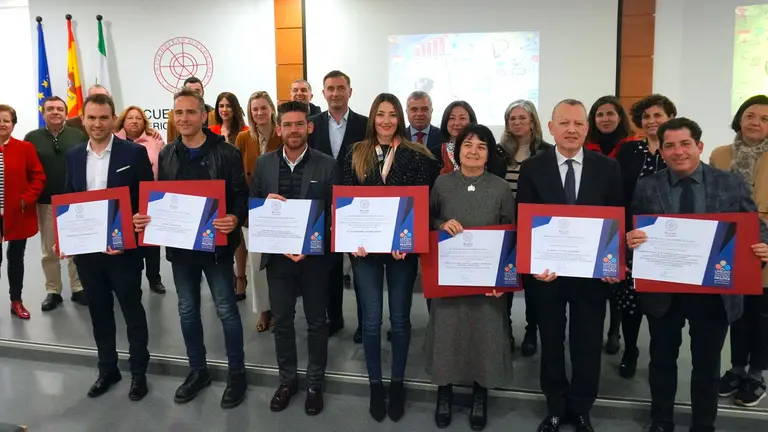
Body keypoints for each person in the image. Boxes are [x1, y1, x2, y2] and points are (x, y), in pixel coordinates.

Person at [627, 117, 768, 432]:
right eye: (670, 146)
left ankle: (703, 424)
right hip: (664, 290)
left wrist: (764, 245)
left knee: (707, 365)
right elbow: (635, 229)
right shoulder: (648, 186)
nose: (678, 152)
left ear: (699, 146)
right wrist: (631, 239)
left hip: (713, 292)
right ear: (662, 151)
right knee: (662, 361)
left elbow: (753, 225)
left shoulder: (728, 183)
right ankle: (661, 420)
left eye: (685, 144)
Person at [133, 88, 248, 409]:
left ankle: (237, 373)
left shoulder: (226, 153)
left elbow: (241, 194)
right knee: (186, 310)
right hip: (182, 250)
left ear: (204, 116)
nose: (184, 118)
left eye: (190, 112)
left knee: (226, 310)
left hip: (217, 250)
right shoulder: (168, 153)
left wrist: (235, 216)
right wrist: (146, 216)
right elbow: (162, 198)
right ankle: (198, 371)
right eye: (178, 113)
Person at [516, 99, 623, 432]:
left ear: (586, 128)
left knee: (587, 343)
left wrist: (613, 264)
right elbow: (525, 220)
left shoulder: (607, 168)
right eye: (564, 123)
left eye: (578, 123)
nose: (572, 129)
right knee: (551, 340)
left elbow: (617, 218)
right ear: (551, 128)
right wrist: (531, 264)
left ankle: (580, 407)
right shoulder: (533, 168)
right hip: (547, 275)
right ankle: (555, 405)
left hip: (591, 276)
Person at [340, 93, 437, 422]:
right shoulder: (355, 153)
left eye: (392, 115)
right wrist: (351, 238)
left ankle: (396, 383)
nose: (385, 120)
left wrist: (409, 240)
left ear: (400, 119)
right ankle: (375, 384)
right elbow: (341, 199)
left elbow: (424, 206)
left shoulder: (418, 155)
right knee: (370, 320)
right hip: (364, 252)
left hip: (401, 252)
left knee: (399, 319)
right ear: (372, 118)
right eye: (380, 114)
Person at [63, 94, 153, 400]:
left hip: (124, 252)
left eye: (103, 118)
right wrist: (64, 236)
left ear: (113, 119)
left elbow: (144, 201)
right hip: (88, 254)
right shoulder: (74, 155)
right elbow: (69, 199)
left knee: (132, 312)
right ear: (83, 119)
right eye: (91, 118)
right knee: (99, 313)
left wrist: (130, 231)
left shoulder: (134, 153)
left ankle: (139, 372)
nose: (97, 124)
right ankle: (108, 369)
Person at [250, 101, 336, 416]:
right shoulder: (263, 164)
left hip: (313, 258)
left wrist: (316, 243)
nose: (294, 130)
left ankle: (315, 383)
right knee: (282, 322)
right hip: (278, 259)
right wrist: (262, 204)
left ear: (309, 127)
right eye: (288, 125)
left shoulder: (327, 165)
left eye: (300, 124)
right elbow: (252, 207)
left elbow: (334, 216)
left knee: (317, 322)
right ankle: (288, 381)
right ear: (278, 129)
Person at [427, 124, 514, 430]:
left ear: (489, 154)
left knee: (485, 333)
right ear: (457, 150)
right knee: (447, 332)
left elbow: (511, 235)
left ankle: (480, 393)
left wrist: (504, 280)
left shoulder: (501, 188)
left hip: (487, 281)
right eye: (468, 145)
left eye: (481, 146)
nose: (473, 151)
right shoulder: (442, 183)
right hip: (449, 276)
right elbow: (429, 219)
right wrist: (441, 224)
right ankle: (444, 392)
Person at [614, 94, 677, 378]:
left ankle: (660, 355)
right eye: (647, 116)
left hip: (668, 240)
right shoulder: (628, 151)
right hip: (631, 236)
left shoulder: (677, 151)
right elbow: (616, 193)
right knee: (630, 298)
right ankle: (630, 350)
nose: (652, 121)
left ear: (670, 119)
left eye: (658, 116)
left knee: (661, 301)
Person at [711, 95, 768, 407]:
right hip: (728, 244)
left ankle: (757, 375)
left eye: (764, 118)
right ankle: (735, 369)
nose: (755, 122)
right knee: (734, 312)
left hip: (765, 247)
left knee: (761, 313)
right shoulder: (720, 155)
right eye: (750, 114)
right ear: (740, 118)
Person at [308, 70, 368, 342]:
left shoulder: (365, 125)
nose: (335, 93)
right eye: (330, 88)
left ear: (350, 92)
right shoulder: (311, 124)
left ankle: (365, 323)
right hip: (321, 205)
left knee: (361, 267)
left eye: (340, 88)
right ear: (323, 93)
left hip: (356, 205)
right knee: (329, 268)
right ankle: (335, 318)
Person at [498, 99, 552, 356]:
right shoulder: (498, 153)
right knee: (506, 281)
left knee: (534, 284)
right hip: (505, 225)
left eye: (522, 118)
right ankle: (505, 330)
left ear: (533, 122)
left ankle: (532, 331)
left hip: (536, 228)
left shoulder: (547, 152)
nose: (517, 122)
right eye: (512, 118)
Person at [24, 96, 86, 311]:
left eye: (60, 109)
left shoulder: (78, 136)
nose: (55, 112)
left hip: (73, 200)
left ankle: (78, 288)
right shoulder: (32, 138)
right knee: (49, 250)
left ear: (66, 113)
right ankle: (53, 291)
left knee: (75, 247)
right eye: (50, 109)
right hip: (45, 201)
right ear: (43, 114)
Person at [585, 95, 635, 356]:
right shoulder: (584, 147)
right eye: (600, 114)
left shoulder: (632, 147)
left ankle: (614, 330)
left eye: (610, 114)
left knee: (615, 278)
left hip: (620, 220)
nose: (605, 119)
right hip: (588, 224)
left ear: (620, 117)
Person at [234, 91, 282, 329]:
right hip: (251, 213)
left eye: (264, 107)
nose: (260, 113)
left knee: (278, 266)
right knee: (256, 265)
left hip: (279, 211)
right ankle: (263, 311)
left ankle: (279, 310)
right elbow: (237, 175)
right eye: (255, 109)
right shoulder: (243, 138)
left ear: (271, 108)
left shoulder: (282, 134)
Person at [0, 105, 46, 320]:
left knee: (15, 259)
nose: (2, 124)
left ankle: (16, 301)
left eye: (6, 120)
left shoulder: (25, 148)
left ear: (13, 124)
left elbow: (38, 177)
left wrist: (25, 199)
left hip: (17, 215)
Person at [114, 105, 166, 294]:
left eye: (138, 118)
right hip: (124, 200)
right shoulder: (113, 142)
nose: (134, 121)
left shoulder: (155, 140)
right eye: (130, 118)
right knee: (128, 242)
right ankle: (130, 281)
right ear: (123, 121)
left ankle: (154, 279)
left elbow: (163, 166)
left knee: (151, 242)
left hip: (151, 198)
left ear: (144, 122)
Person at [166, 76, 216, 143]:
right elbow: (170, 142)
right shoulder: (172, 119)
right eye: (189, 91)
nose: (193, 95)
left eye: (197, 92)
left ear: (203, 93)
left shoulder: (215, 116)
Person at [434, 101, 476, 175]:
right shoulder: (435, 153)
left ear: (471, 121)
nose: (456, 123)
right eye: (451, 118)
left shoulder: (481, 150)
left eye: (462, 118)